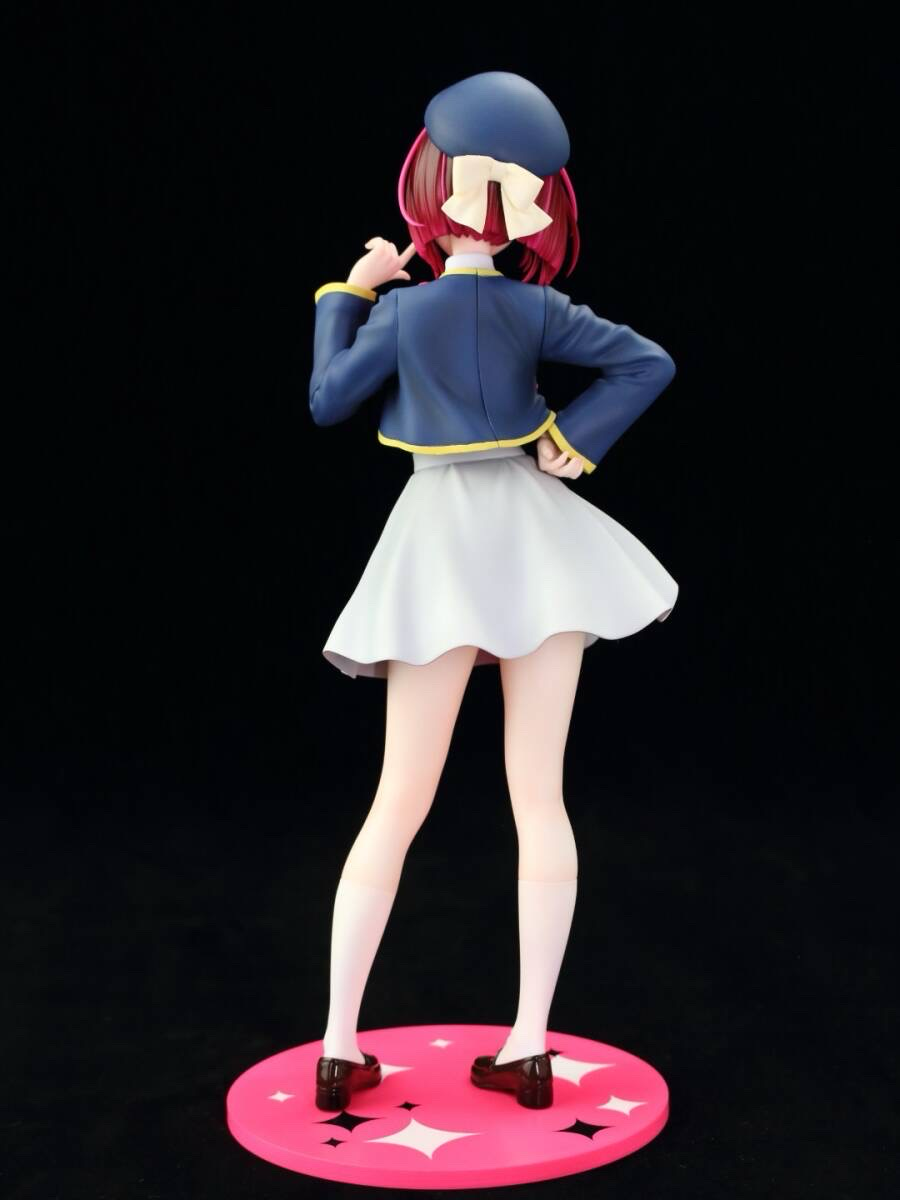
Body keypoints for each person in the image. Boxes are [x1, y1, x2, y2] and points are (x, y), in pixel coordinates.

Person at [310, 71, 678, 1112]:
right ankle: (528, 1045)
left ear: (431, 188)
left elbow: (328, 400)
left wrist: (349, 293)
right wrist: (574, 440)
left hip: (437, 546)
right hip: (534, 544)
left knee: (397, 801)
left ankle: (338, 1046)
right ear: (533, 209)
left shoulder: (406, 313)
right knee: (538, 796)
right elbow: (648, 362)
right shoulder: (535, 305)